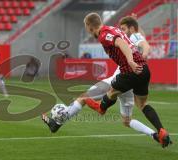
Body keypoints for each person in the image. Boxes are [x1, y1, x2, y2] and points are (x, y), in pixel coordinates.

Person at [42, 13, 172, 148]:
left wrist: (130, 61)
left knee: (85, 97)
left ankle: (57, 124)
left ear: (88, 26)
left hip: (125, 75)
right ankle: (158, 134)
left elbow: (121, 42)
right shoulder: (116, 30)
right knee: (130, 118)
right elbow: (138, 42)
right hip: (141, 72)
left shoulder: (104, 35)